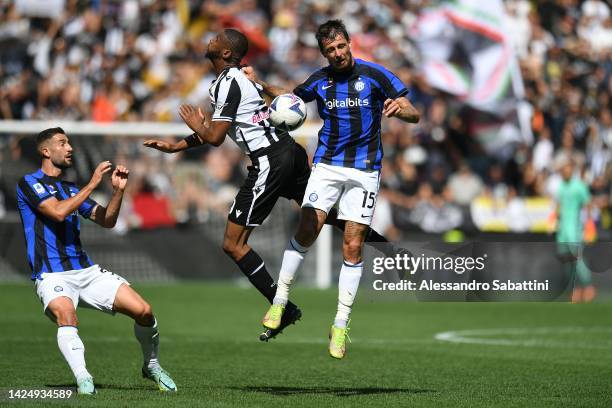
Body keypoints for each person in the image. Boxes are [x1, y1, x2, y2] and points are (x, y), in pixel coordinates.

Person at [143, 28, 403, 342]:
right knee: (326, 216)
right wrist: (177, 146)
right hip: (288, 152)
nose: (209, 39)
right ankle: (389, 250)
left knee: (232, 244)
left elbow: (213, 136)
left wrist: (197, 126)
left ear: (226, 53)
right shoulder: (237, 81)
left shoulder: (228, 84)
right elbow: (225, 128)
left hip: (269, 160)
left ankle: (283, 307)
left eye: (216, 39)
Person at [245, 19, 420, 359]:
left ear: (349, 42)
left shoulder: (375, 75)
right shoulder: (320, 80)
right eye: (330, 50)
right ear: (324, 53)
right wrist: (261, 83)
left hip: (365, 170)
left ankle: (340, 324)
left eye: (341, 46)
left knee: (353, 244)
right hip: (327, 165)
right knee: (309, 228)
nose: (338, 54)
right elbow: (290, 101)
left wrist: (402, 110)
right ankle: (279, 301)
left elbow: (414, 113)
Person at [16, 128, 176, 395]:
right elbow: (56, 212)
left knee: (145, 312)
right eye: (62, 143)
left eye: (69, 143)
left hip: (86, 271)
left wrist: (116, 192)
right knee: (66, 315)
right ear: (46, 151)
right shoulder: (29, 183)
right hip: (52, 274)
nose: (70, 148)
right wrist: (92, 184)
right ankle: (83, 378)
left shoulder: (70, 188)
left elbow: (107, 220)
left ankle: (152, 366)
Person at [551, 160, 596, 302]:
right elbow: (558, 205)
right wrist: (553, 219)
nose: (565, 172)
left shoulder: (579, 186)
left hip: (574, 229)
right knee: (567, 261)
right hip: (562, 231)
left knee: (578, 260)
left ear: (572, 170)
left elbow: (588, 204)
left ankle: (588, 287)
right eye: (563, 170)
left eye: (567, 169)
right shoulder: (561, 187)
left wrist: (589, 224)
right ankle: (574, 289)